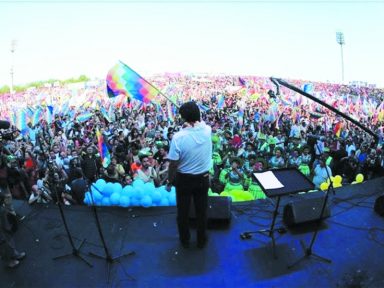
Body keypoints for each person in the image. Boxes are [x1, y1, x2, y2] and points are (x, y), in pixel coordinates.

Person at [166, 101, 212, 249]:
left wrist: (169, 180)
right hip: (203, 178)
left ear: (184, 118)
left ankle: (184, 239)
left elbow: (173, 164)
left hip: (184, 180)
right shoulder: (207, 130)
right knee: (201, 211)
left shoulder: (178, 137)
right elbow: (201, 123)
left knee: (183, 212)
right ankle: (201, 240)